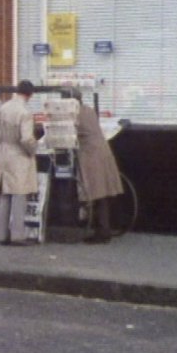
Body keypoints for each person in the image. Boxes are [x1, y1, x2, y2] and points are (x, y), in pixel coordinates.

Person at [0, 80, 38, 245]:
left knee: (5, 195)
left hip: (4, 153)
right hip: (19, 156)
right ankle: (17, 235)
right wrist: (34, 150)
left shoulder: (3, 108)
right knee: (19, 195)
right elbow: (26, 139)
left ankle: (2, 234)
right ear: (30, 94)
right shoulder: (25, 112)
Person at [74, 92, 123, 244]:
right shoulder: (88, 110)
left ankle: (102, 232)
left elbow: (71, 133)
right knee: (102, 194)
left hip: (92, 156)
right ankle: (103, 229)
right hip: (102, 152)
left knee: (97, 193)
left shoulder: (75, 114)